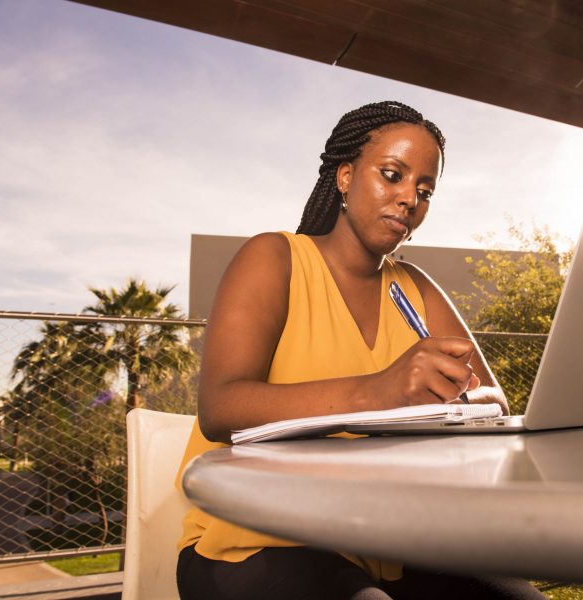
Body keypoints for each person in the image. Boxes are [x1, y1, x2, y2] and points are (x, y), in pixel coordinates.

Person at [175, 100, 544, 599]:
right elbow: (221, 409)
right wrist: (380, 391)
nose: (409, 199)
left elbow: (495, 404)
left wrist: (458, 404)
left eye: (424, 189)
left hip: (386, 536)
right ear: (345, 176)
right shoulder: (274, 257)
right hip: (258, 534)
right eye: (392, 175)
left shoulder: (416, 287)